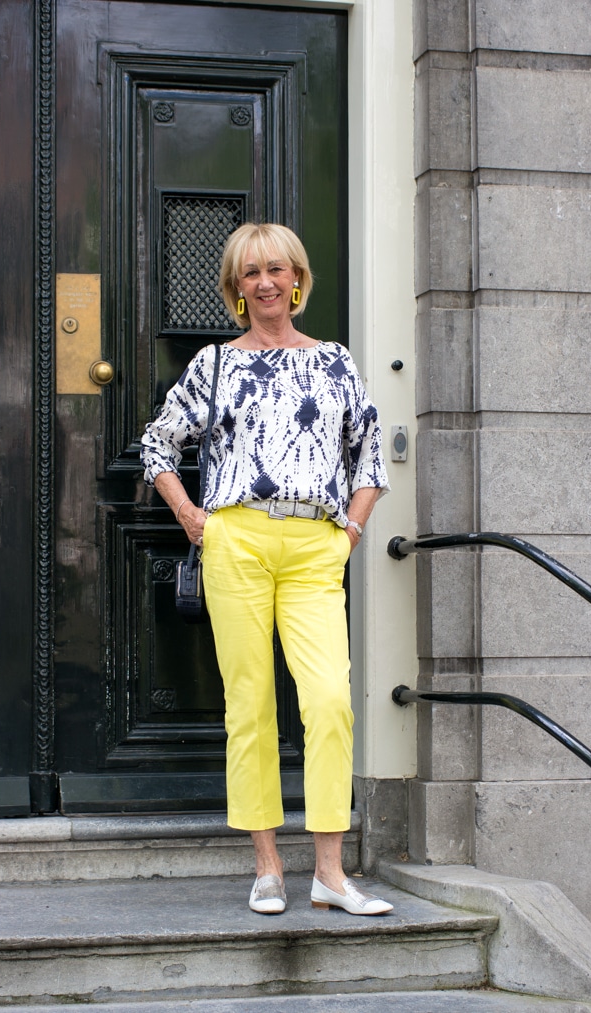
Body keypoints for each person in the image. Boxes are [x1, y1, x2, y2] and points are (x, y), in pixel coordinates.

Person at [142, 223, 392, 916]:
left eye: (275, 269)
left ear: (297, 279)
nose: (264, 282)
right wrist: (193, 517)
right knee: (248, 705)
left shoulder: (335, 361)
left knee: (329, 703)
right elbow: (158, 443)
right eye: (249, 272)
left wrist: (351, 531)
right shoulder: (214, 364)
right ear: (234, 288)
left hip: (316, 542)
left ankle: (331, 873)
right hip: (237, 542)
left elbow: (369, 456)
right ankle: (267, 865)